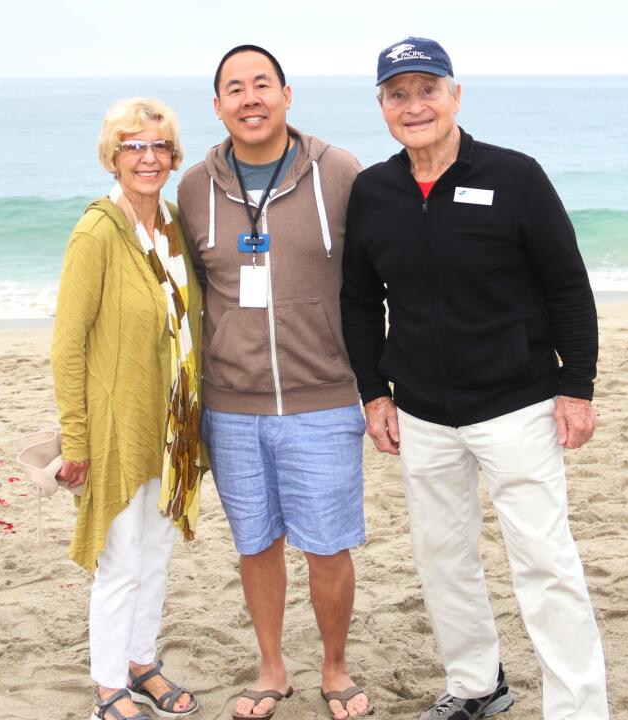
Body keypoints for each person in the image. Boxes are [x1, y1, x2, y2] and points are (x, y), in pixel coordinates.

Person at [340, 37, 611, 720]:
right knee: (442, 558)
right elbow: (358, 298)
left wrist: (577, 387)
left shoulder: (516, 176)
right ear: (382, 108)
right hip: (423, 413)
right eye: (397, 95)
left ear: (455, 95)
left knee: (546, 565)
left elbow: (568, 288)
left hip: (517, 406)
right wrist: (374, 391)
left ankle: (578, 708)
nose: (414, 105)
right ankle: (475, 686)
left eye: (427, 90)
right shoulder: (374, 191)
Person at [176, 45, 371, 720]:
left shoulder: (340, 171)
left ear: (288, 94)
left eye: (262, 84)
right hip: (231, 406)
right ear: (218, 105)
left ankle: (336, 666)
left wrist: (382, 383)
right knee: (255, 544)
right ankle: (270, 667)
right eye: (235, 87)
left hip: (324, 396)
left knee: (327, 545)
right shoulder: (194, 186)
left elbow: (379, 276)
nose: (250, 97)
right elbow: (188, 297)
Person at [52, 97, 207, 720]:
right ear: (112, 156)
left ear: (173, 156)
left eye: (159, 146)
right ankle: (108, 684)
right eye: (133, 146)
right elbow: (68, 344)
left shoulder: (170, 222)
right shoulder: (97, 230)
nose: (148, 158)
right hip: (118, 425)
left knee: (157, 552)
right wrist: (75, 438)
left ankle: (142, 661)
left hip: (174, 421)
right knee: (120, 559)